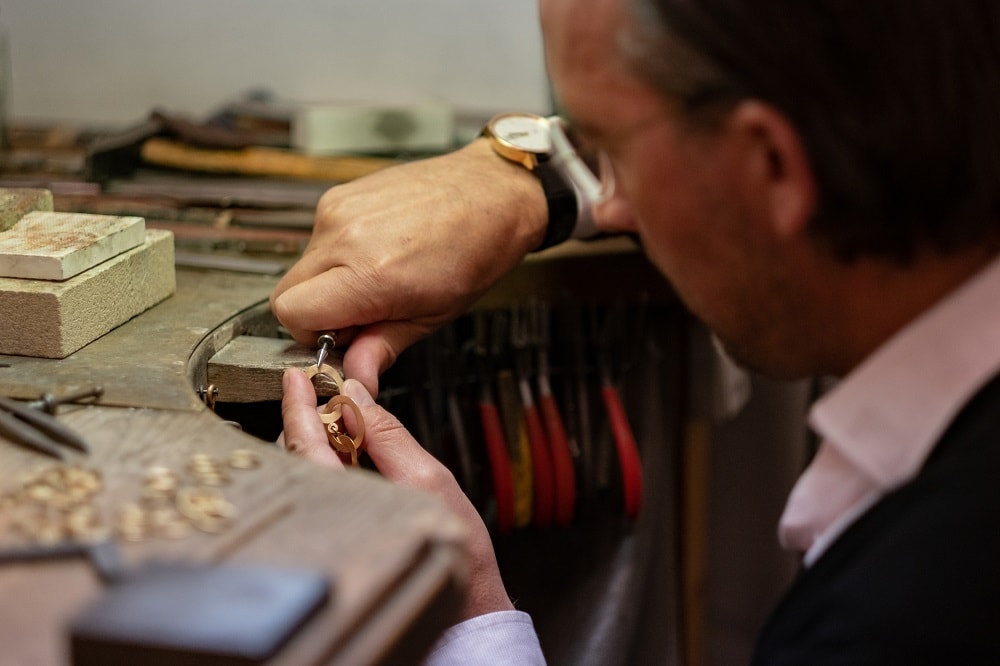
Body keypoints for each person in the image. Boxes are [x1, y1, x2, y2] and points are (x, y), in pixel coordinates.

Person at [274, 0, 1000, 663]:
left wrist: (460, 624)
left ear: (772, 165)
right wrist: (530, 179)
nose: (610, 208)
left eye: (607, 145)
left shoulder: (905, 614)